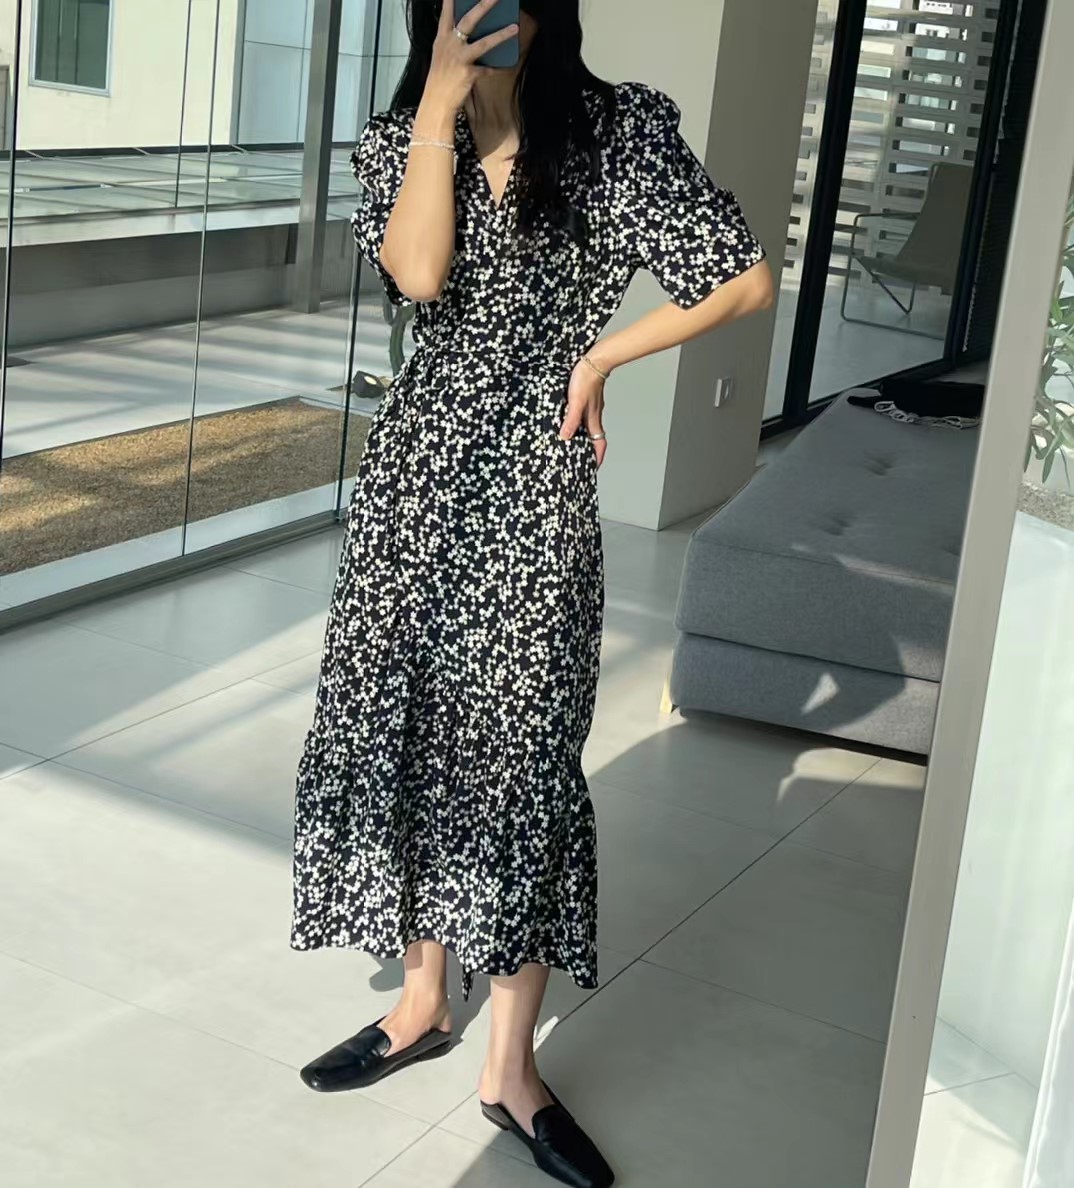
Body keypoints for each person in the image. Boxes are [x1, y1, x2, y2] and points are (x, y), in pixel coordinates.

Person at [290, 1, 772, 1183]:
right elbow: (419, 276)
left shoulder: (618, 132)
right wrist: (441, 107)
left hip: (537, 486)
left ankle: (510, 1068)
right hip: (414, 483)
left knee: (521, 761)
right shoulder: (402, 139)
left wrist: (601, 353)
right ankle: (421, 1004)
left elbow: (744, 279)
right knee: (405, 732)